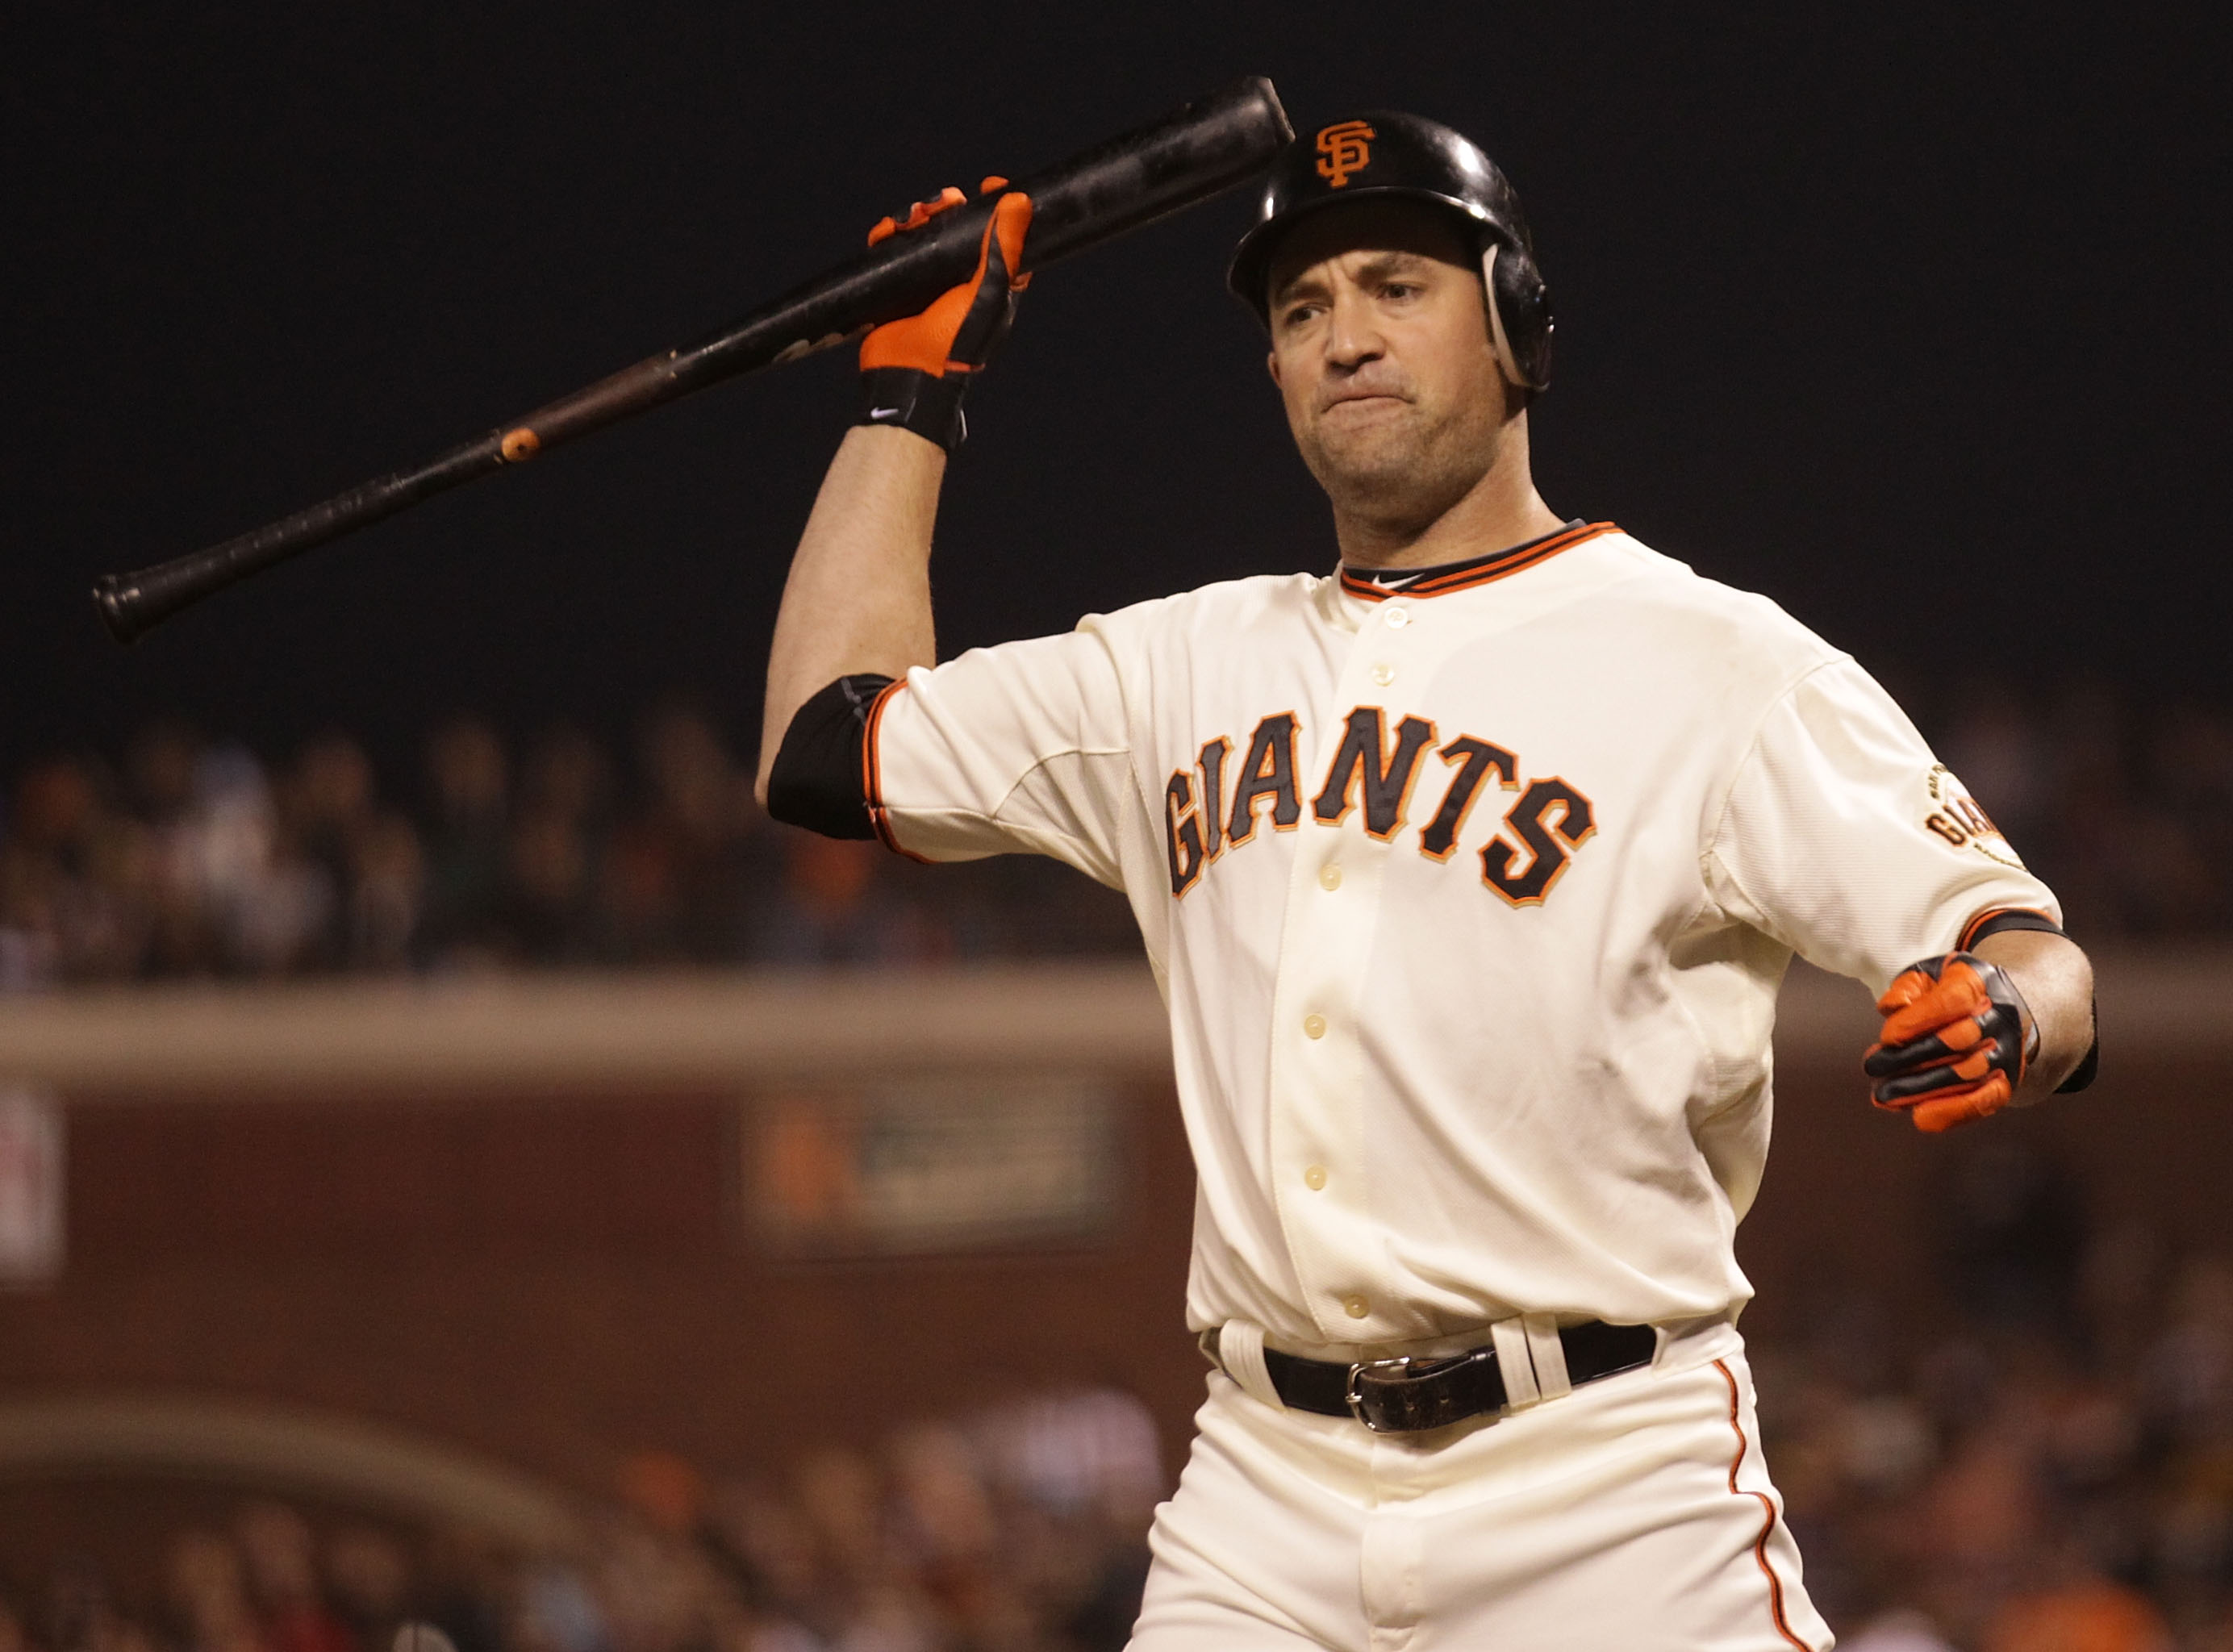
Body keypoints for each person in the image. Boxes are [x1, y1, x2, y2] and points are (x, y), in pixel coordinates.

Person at [754, 114, 2097, 1652]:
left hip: (1609, 1489)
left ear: (1519, 328)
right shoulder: (1176, 664)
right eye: (1302, 310)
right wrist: (904, 398)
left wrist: (2007, 1008)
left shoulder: (1720, 664)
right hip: (1266, 1496)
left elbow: (2028, 943)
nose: (1345, 339)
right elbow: (819, 746)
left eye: (1397, 285)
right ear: (1271, 376)